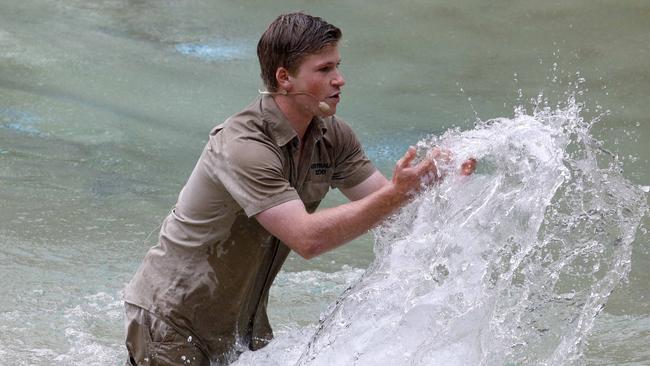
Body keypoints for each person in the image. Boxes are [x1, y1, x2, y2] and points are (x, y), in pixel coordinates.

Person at [122, 12, 459, 366]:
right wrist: (397, 194)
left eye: (338, 67)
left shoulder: (333, 135)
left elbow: (389, 209)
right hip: (171, 320)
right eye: (324, 69)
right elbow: (307, 238)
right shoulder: (243, 144)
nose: (339, 80)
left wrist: (436, 182)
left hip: (243, 325)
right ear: (284, 78)